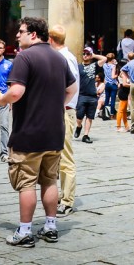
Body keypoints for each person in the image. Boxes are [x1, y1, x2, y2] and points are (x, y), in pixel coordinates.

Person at [0, 17, 76, 247]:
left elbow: (16, 92)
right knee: (50, 180)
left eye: (21, 32)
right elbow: (72, 88)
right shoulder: (59, 58)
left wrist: (2, 99)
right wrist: (56, 104)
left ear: (33, 34)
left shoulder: (25, 57)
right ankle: (51, 227)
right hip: (54, 132)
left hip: (29, 133)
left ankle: (25, 231)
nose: (17, 36)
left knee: (27, 183)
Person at [49, 24, 80, 218]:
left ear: (51, 40)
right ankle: (62, 194)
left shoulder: (65, 58)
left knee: (66, 157)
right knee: (58, 156)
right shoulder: (64, 57)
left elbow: (71, 87)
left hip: (65, 110)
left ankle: (67, 199)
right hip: (62, 110)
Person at [75, 47, 107, 143]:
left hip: (92, 95)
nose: (85, 55)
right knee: (79, 116)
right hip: (81, 94)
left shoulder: (94, 65)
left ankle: (86, 135)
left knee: (90, 116)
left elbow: (104, 59)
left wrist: (94, 55)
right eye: (84, 53)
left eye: (87, 54)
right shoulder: (78, 67)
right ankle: (79, 126)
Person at [101, 53, 118, 120]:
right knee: (113, 100)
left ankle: (105, 113)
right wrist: (117, 75)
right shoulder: (113, 66)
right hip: (113, 84)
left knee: (107, 99)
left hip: (107, 83)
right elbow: (113, 76)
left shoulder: (104, 65)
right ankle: (111, 114)